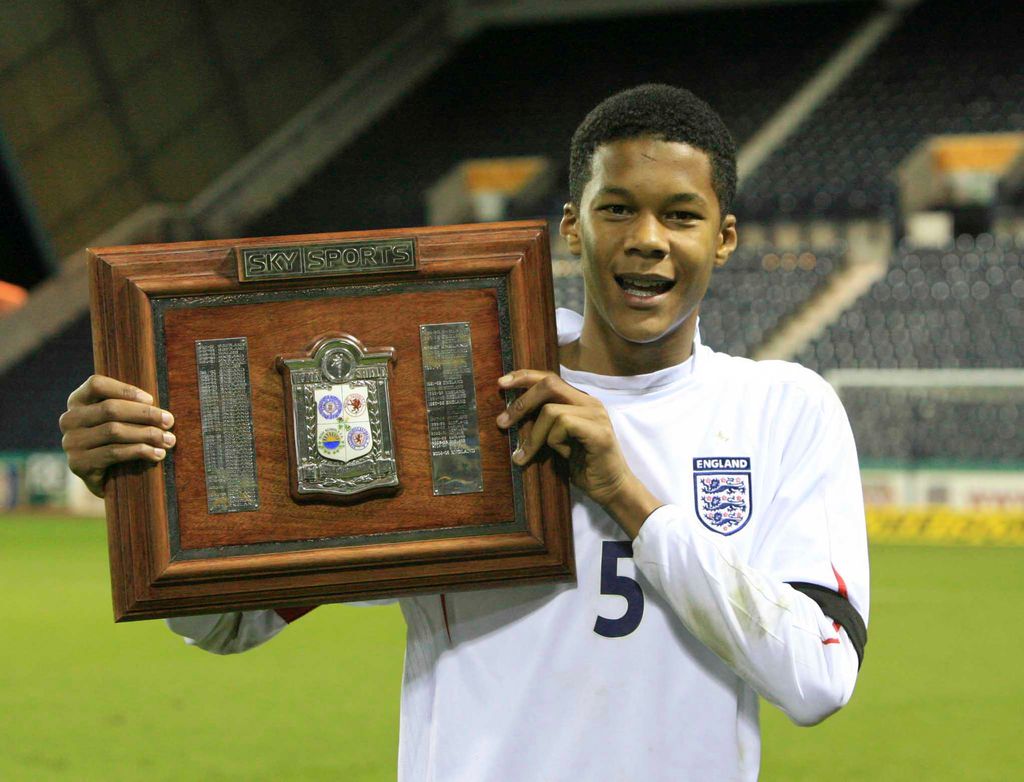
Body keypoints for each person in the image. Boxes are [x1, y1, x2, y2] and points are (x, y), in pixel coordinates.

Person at [61, 84, 869, 781]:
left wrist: (625, 493)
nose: (646, 239)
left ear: (723, 237)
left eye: (681, 215)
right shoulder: (454, 385)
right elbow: (227, 625)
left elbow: (817, 676)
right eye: (616, 208)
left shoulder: (782, 411)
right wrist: (143, 481)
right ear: (572, 227)